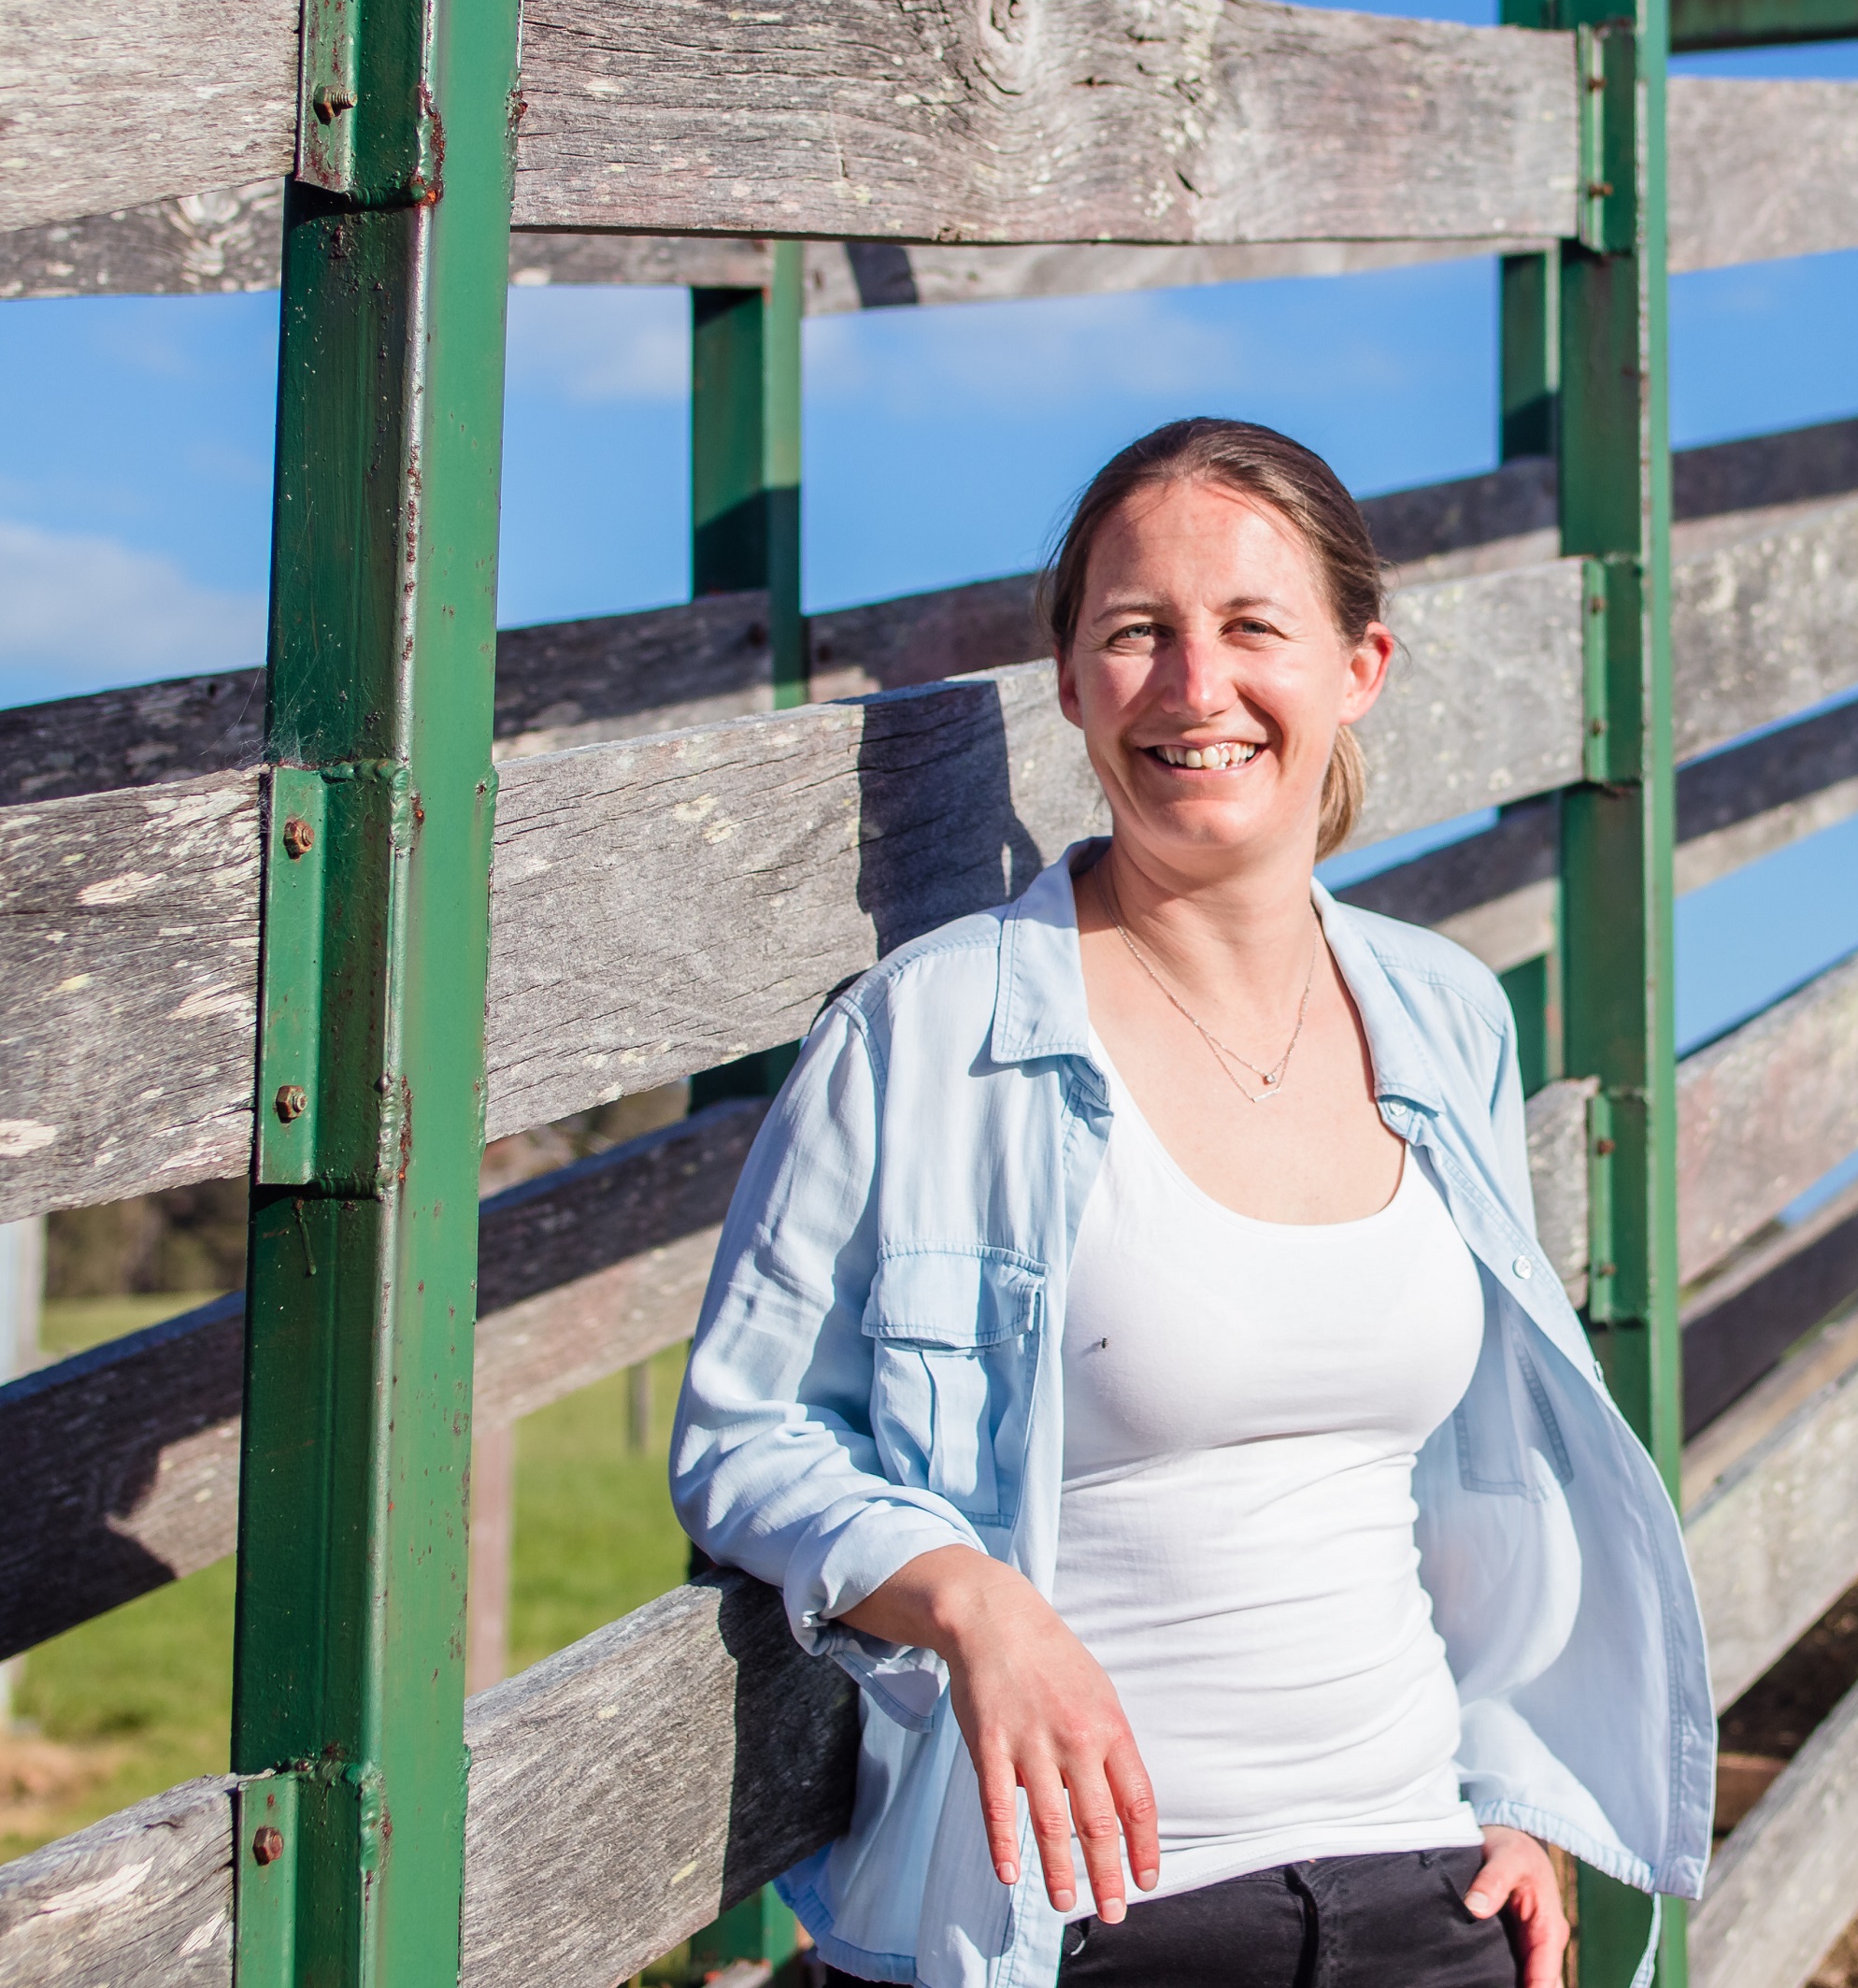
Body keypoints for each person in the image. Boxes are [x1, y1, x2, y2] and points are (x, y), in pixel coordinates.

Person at [672, 418, 1714, 1988]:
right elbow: (744, 1434)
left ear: (1358, 665)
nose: (1192, 686)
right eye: (1135, 633)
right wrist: (968, 1601)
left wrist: (1511, 1787)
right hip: (1073, 1925)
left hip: (1433, 1900)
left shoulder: (1446, 1013)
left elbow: (1473, 1462)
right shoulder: (929, 1033)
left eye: (1249, 627)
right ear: (1073, 675)